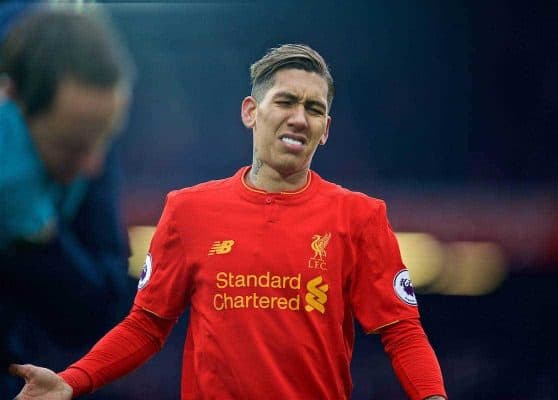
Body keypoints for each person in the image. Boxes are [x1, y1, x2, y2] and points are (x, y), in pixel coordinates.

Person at [10, 44, 447, 400]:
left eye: (314, 109)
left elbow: (402, 332)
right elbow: (146, 325)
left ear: (326, 129)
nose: (299, 117)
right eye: (286, 101)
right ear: (251, 111)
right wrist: (72, 380)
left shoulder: (361, 216)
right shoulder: (188, 210)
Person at [0, 5, 135, 395]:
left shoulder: (86, 143)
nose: (93, 166)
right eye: (72, 147)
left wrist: (36, 234)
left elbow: (101, 310)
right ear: (12, 107)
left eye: (103, 143)